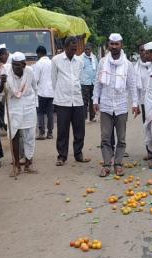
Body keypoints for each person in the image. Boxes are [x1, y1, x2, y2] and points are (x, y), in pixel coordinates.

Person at [93, 33, 138, 177]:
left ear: (121, 45)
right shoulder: (102, 62)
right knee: (105, 137)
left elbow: (132, 85)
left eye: (116, 44)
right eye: (111, 44)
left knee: (121, 138)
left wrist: (135, 103)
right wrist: (95, 100)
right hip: (106, 105)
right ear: (108, 45)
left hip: (121, 106)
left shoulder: (128, 64)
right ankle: (107, 165)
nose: (114, 46)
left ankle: (118, 164)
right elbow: (97, 83)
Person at [52, 37, 91, 166]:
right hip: (63, 101)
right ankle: (62, 156)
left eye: (76, 49)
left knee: (80, 130)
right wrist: (57, 96)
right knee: (63, 130)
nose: (74, 51)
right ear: (66, 47)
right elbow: (53, 81)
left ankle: (78, 154)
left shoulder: (79, 61)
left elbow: (79, 78)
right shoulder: (56, 60)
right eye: (72, 48)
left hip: (78, 101)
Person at [0, 52, 38, 175]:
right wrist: (2, 82)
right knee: (14, 136)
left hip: (28, 106)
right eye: (13, 65)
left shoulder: (30, 72)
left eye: (18, 65)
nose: (15, 67)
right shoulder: (5, 71)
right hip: (13, 107)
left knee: (29, 136)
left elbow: (35, 88)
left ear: (24, 65)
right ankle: (16, 165)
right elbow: (0, 92)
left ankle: (28, 164)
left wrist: (35, 104)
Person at [134, 43, 152, 159]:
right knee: (147, 127)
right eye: (141, 50)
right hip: (144, 102)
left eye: (146, 51)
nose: (144, 53)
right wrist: (137, 104)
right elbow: (135, 88)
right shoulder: (136, 68)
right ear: (139, 52)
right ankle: (149, 151)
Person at [34, 45, 54, 140]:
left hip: (41, 92)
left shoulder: (38, 64)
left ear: (39, 53)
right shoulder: (52, 62)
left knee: (40, 112)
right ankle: (50, 133)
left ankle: (42, 133)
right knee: (50, 113)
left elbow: (36, 79)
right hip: (51, 92)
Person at [80, 43, 98, 122]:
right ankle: (84, 118)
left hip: (93, 82)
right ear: (84, 50)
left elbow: (97, 68)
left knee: (93, 100)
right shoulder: (80, 58)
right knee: (85, 101)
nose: (87, 51)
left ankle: (92, 117)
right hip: (85, 82)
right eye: (86, 49)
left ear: (91, 50)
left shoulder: (94, 58)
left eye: (89, 49)